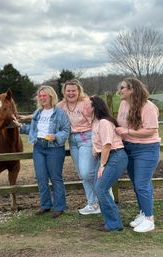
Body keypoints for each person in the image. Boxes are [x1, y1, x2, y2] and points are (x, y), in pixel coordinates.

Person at [14, 85, 70, 218]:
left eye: (44, 95)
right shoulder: (38, 113)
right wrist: (21, 127)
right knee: (41, 177)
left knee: (55, 178)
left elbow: (66, 130)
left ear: (51, 96)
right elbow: (34, 130)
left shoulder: (59, 113)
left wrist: (56, 136)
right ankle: (45, 205)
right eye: (40, 95)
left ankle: (59, 207)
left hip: (54, 148)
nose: (42, 98)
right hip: (38, 147)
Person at [115, 78, 160, 233]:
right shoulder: (123, 104)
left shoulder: (148, 107)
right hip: (129, 148)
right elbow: (120, 124)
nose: (119, 90)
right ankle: (143, 212)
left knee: (142, 183)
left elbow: (150, 130)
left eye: (122, 88)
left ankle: (149, 219)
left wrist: (127, 132)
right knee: (136, 183)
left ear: (132, 89)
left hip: (146, 149)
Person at [57, 79, 100, 215]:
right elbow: (46, 114)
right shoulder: (61, 106)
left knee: (88, 172)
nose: (71, 93)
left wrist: (96, 141)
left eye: (73, 90)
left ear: (79, 91)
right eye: (68, 91)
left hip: (86, 137)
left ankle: (103, 199)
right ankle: (93, 204)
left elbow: (96, 121)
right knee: (83, 173)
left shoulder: (86, 103)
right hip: (72, 140)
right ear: (64, 92)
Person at [87, 96, 128, 232]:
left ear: (94, 108)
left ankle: (114, 224)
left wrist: (102, 165)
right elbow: (98, 140)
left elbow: (107, 144)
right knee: (99, 189)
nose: (84, 107)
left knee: (101, 189)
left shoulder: (104, 122)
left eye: (87, 105)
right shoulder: (95, 122)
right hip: (106, 156)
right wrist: (95, 149)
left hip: (114, 157)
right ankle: (109, 221)